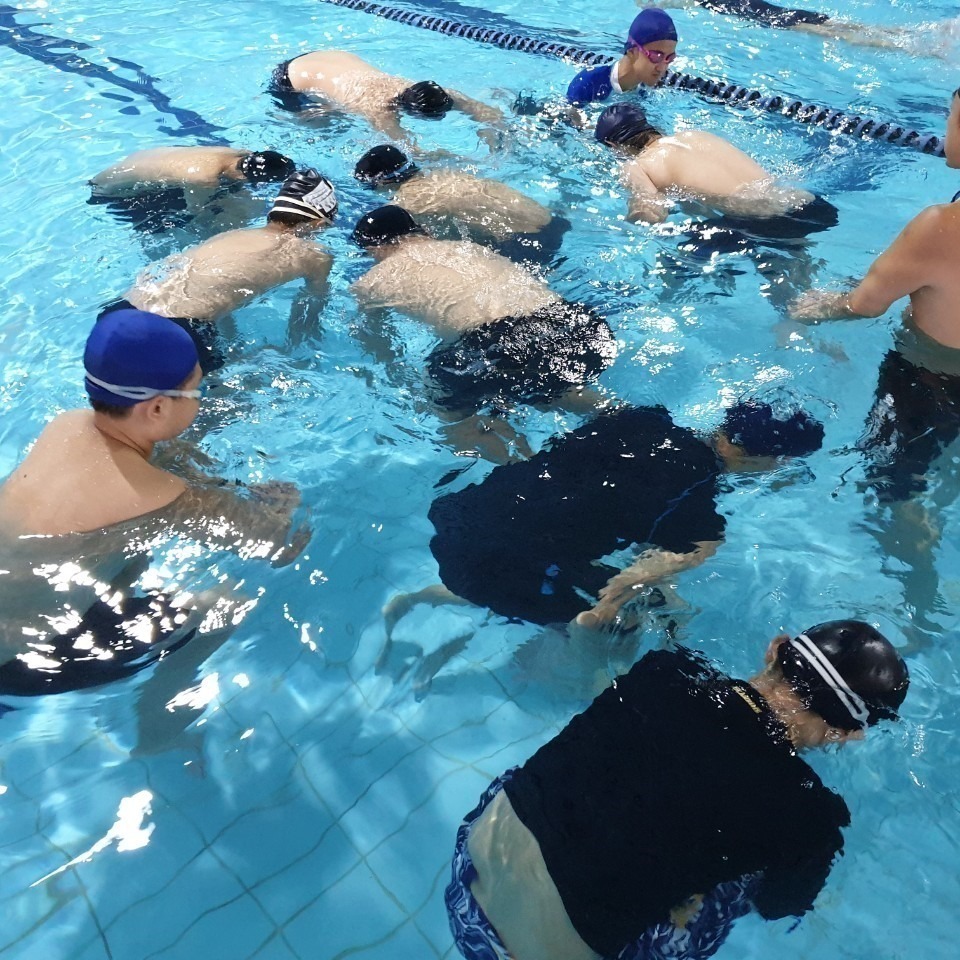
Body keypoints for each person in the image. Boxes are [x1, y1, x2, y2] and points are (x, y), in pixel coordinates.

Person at [446, 620, 909, 960]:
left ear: (776, 648)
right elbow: (778, 906)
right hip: (523, 954)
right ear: (847, 734)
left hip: (469, 874)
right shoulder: (811, 816)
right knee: (745, 877)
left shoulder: (665, 669)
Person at [0, 309, 308, 695]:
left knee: (130, 555)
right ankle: (159, 722)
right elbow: (276, 546)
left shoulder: (66, 425)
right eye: (196, 391)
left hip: (19, 604)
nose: (199, 400)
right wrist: (285, 507)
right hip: (25, 661)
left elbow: (149, 462)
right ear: (159, 408)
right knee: (227, 605)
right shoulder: (164, 498)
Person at [417, 401, 823, 632]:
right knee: (627, 622)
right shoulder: (703, 521)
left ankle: (425, 596)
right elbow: (623, 588)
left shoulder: (643, 418)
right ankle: (573, 687)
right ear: (769, 460)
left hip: (461, 516)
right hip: (497, 570)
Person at [790, 85, 960, 503]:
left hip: (931, 382)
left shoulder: (940, 228)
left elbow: (866, 304)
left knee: (897, 495)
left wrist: (814, 307)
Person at [351, 205, 616, 414]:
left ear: (376, 248)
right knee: (543, 382)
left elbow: (376, 342)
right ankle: (612, 412)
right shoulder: (466, 247)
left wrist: (390, 375)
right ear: (423, 231)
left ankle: (519, 463)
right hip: (576, 322)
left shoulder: (372, 282)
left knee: (441, 401)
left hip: (504, 342)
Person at [98, 169, 337, 372]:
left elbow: (214, 290)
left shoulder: (236, 235)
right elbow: (309, 307)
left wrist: (225, 347)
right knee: (260, 370)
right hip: (174, 333)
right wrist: (297, 351)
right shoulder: (314, 254)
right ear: (317, 223)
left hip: (121, 309)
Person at [595, 102, 837, 238]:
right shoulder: (695, 134)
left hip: (763, 220)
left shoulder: (636, 166)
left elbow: (652, 214)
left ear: (612, 145)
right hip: (808, 204)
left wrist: (619, 228)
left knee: (676, 268)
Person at [354, 144, 567, 263]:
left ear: (381, 181)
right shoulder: (444, 173)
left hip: (528, 244)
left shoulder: (410, 201)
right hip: (552, 220)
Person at [268, 50, 502, 141]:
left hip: (328, 55)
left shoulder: (428, 90)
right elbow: (408, 150)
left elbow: (488, 112)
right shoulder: (378, 109)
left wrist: (495, 138)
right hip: (292, 77)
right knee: (323, 128)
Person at [88, 146, 295, 233]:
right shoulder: (203, 178)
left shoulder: (241, 153)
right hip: (108, 192)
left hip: (126, 167)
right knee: (208, 226)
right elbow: (197, 213)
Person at [655, 0, 958, 55]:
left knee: (844, 34)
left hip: (776, 20)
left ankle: (923, 50)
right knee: (849, 25)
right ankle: (924, 32)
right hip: (783, 11)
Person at [566, 9, 678, 106]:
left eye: (670, 58)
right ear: (632, 51)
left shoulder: (644, 91)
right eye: (656, 56)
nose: (662, 68)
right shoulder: (588, 83)